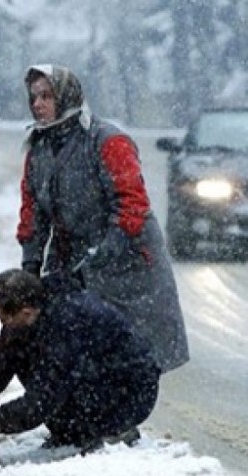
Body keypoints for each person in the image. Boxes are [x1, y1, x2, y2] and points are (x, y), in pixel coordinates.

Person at [17, 64, 188, 374]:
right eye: (34, 98)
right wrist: (31, 266)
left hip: (127, 261)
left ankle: (121, 414)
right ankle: (83, 415)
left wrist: (101, 255)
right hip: (72, 253)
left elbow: (131, 207)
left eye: (46, 96)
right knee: (65, 341)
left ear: (66, 97)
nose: (38, 104)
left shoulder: (107, 141)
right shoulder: (38, 150)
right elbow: (33, 213)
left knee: (125, 350)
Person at [0, 269, 160, 453]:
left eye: (4, 319)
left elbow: (47, 394)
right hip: (92, 378)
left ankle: (109, 430)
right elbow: (5, 351)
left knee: (59, 390)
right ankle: (71, 429)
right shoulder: (35, 310)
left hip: (127, 393)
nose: (4, 325)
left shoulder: (68, 323)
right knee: (24, 348)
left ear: (26, 312)